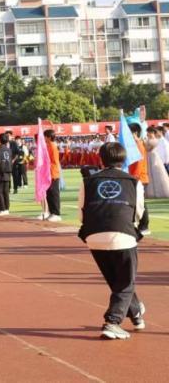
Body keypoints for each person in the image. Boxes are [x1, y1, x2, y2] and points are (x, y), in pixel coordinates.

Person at [78, 142, 146, 340]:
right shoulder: (134, 182)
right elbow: (139, 213)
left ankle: (136, 313)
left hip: (94, 237)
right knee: (125, 283)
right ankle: (113, 322)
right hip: (122, 235)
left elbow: (82, 213)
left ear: (101, 159)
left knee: (118, 282)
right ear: (124, 159)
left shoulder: (88, 182)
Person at [127, 122, 151, 236]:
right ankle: (139, 224)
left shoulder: (138, 145)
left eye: (129, 133)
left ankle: (144, 226)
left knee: (140, 203)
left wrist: (134, 178)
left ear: (135, 133)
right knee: (137, 202)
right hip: (136, 177)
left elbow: (139, 164)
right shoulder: (135, 145)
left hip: (139, 178)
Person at [38, 129, 63, 221]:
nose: (44, 138)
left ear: (48, 137)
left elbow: (54, 161)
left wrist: (46, 166)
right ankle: (52, 212)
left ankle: (56, 213)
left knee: (54, 194)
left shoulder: (52, 146)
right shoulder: (48, 146)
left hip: (53, 173)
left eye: (44, 136)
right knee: (49, 193)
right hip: (48, 173)